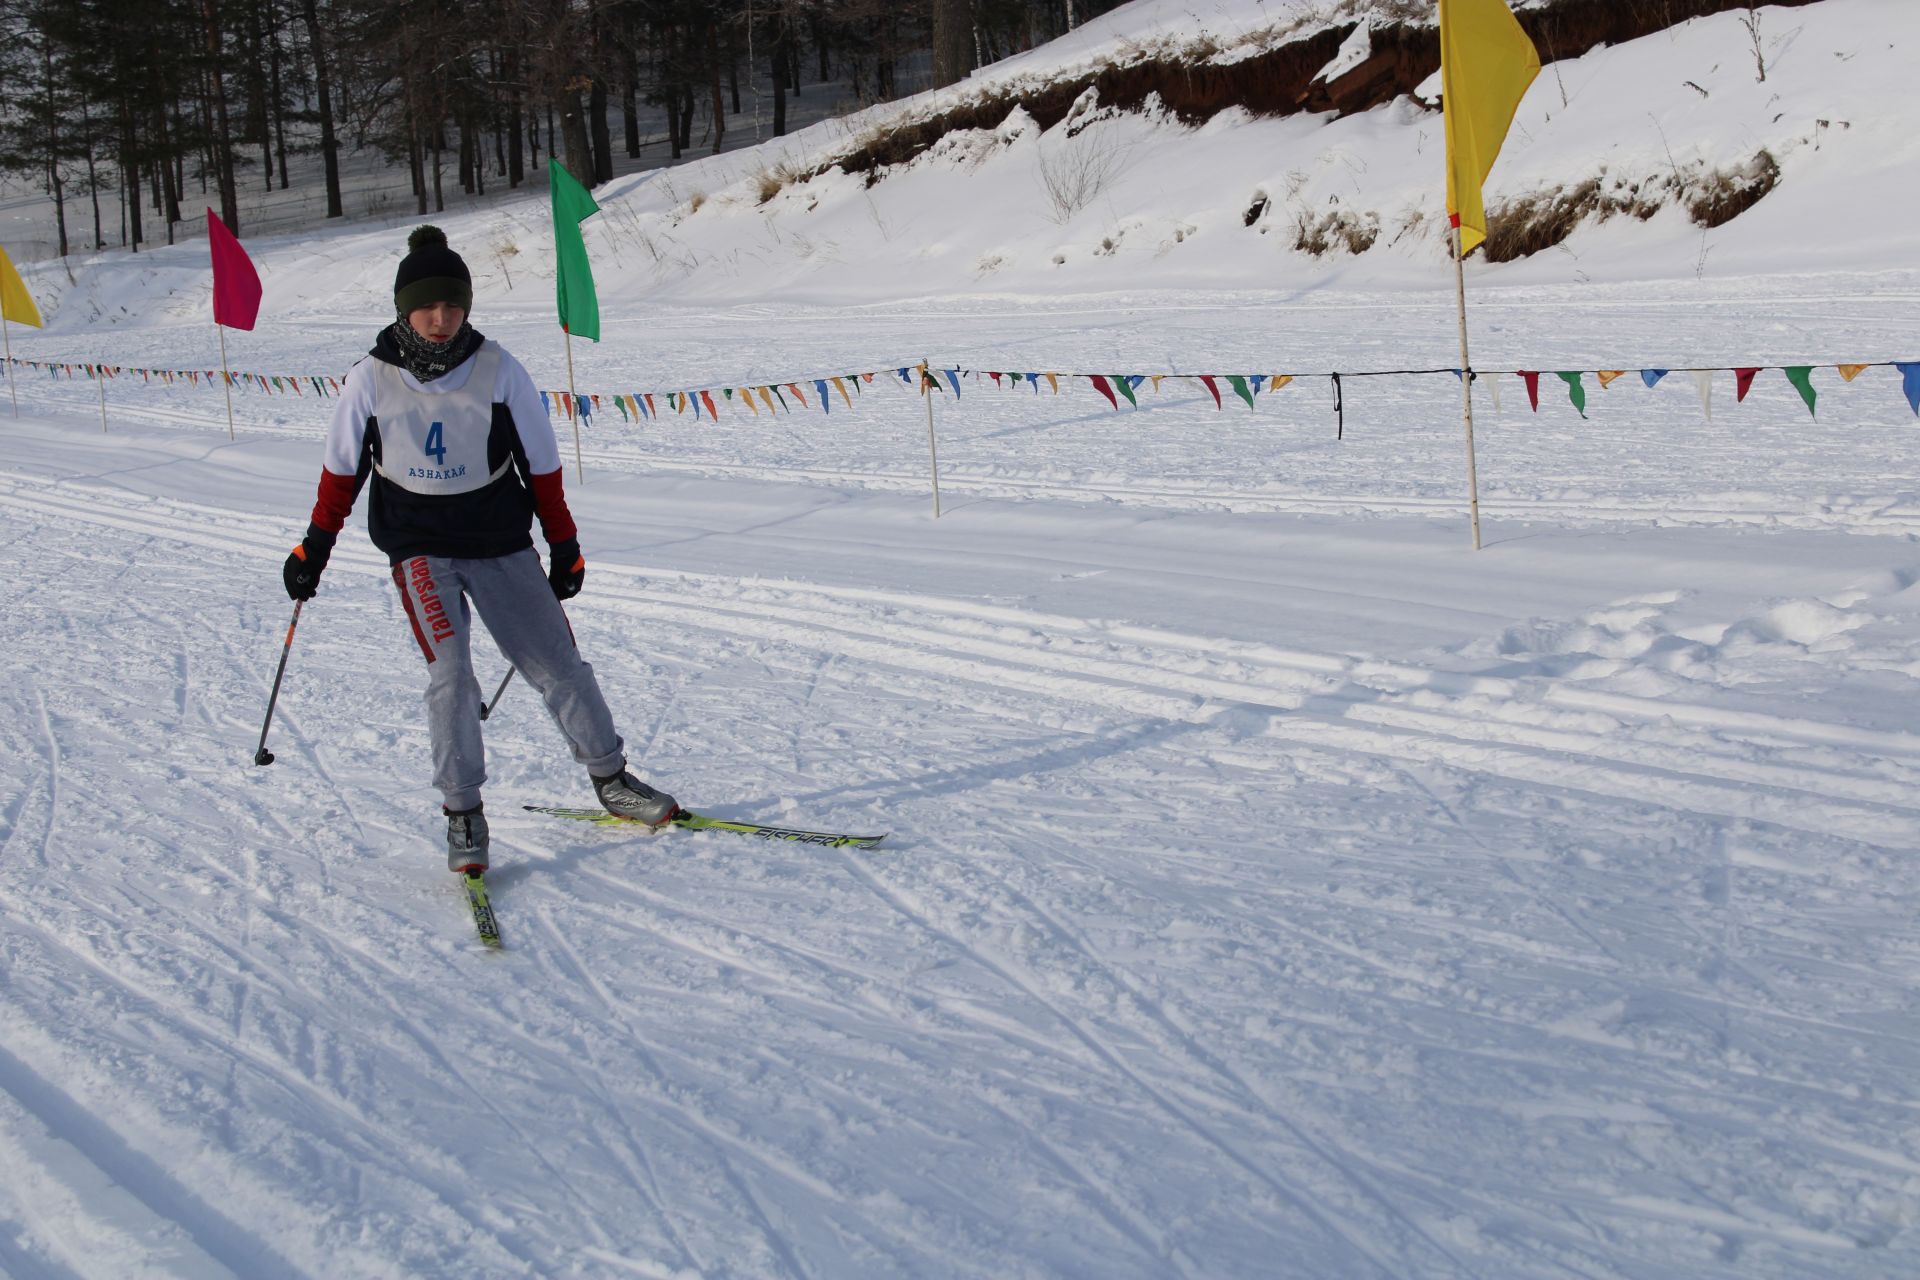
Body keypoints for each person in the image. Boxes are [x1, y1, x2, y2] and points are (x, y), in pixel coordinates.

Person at [281, 224, 675, 874]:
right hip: (419, 550)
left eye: (453, 306)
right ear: (404, 308)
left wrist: (564, 545)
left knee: (559, 664)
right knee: (452, 676)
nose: (440, 320)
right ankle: (463, 813)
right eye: (427, 307)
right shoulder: (370, 379)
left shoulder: (498, 369)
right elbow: (339, 474)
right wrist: (312, 552)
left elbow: (542, 467)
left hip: (499, 542)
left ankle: (612, 780)